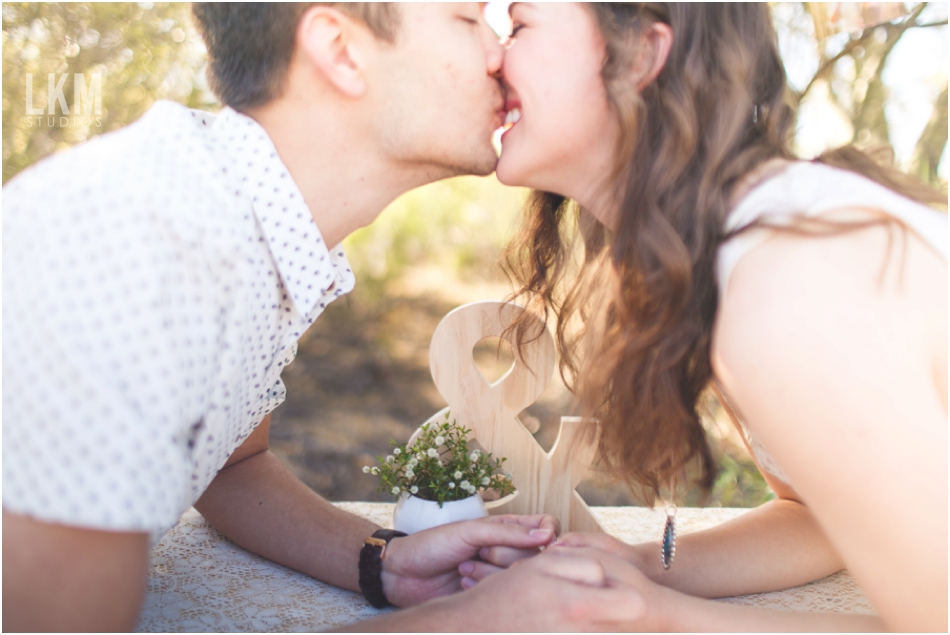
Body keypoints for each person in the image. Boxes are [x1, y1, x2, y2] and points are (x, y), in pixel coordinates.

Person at [3, 4, 647, 631]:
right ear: (341, 51)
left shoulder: (251, 224)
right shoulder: (130, 245)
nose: (500, 52)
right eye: (467, 19)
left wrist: (382, 564)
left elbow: (230, 466)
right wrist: (466, 622)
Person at [469, 2, 946, 631]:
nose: (492, 55)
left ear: (640, 55)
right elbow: (817, 515)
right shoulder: (728, 249)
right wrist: (639, 567)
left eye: (520, 25)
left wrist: (657, 616)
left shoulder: (789, 283)